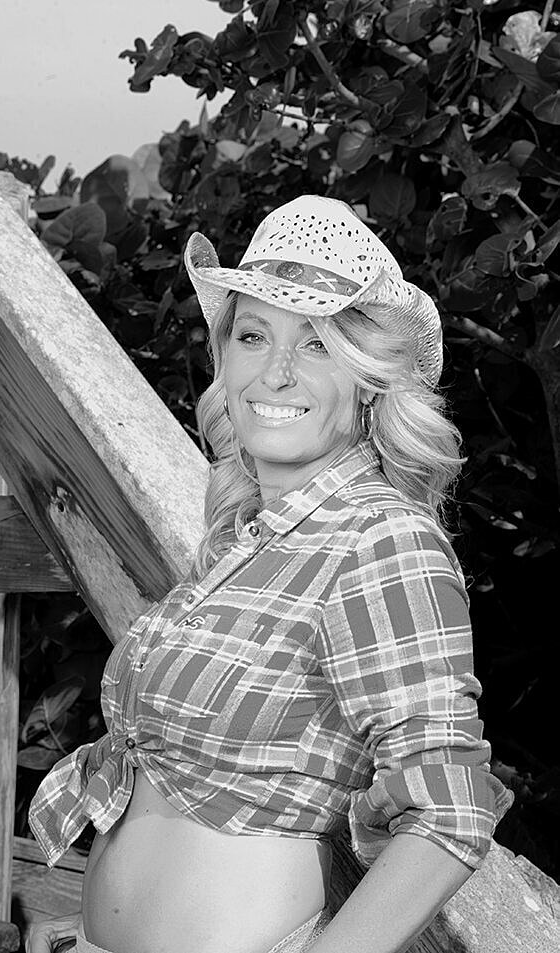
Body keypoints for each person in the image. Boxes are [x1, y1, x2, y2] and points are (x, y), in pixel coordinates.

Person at [27, 195, 513, 953]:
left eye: (317, 344)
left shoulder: (383, 539)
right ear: (226, 355)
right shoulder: (243, 538)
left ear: (368, 383)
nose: (277, 371)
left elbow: (449, 812)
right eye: (255, 335)